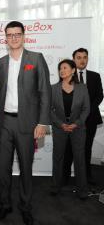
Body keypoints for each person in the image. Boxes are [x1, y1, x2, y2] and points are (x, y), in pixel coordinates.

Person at [0, 21, 51, 225]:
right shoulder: (0, 62)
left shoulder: (35, 58)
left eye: (17, 34)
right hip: (4, 121)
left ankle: (25, 206)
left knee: (26, 167)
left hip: (27, 123)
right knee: (4, 167)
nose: (14, 38)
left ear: (24, 36)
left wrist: (43, 122)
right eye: (10, 35)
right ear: (5, 38)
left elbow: (45, 92)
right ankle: (5, 204)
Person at [63, 48, 103, 185]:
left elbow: (99, 96)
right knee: (68, 148)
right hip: (71, 119)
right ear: (74, 60)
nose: (82, 60)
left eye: (85, 57)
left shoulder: (95, 76)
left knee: (86, 148)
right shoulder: (67, 76)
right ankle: (65, 177)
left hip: (90, 119)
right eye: (79, 57)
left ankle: (86, 176)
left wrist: (86, 111)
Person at [50, 59, 89, 199]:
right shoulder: (53, 88)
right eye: (60, 68)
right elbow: (49, 110)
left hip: (77, 128)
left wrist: (76, 123)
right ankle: (55, 187)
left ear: (73, 70)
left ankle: (82, 190)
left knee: (80, 159)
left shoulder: (82, 88)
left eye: (65, 68)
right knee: (58, 158)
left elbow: (86, 109)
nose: (62, 70)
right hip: (59, 128)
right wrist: (61, 124)